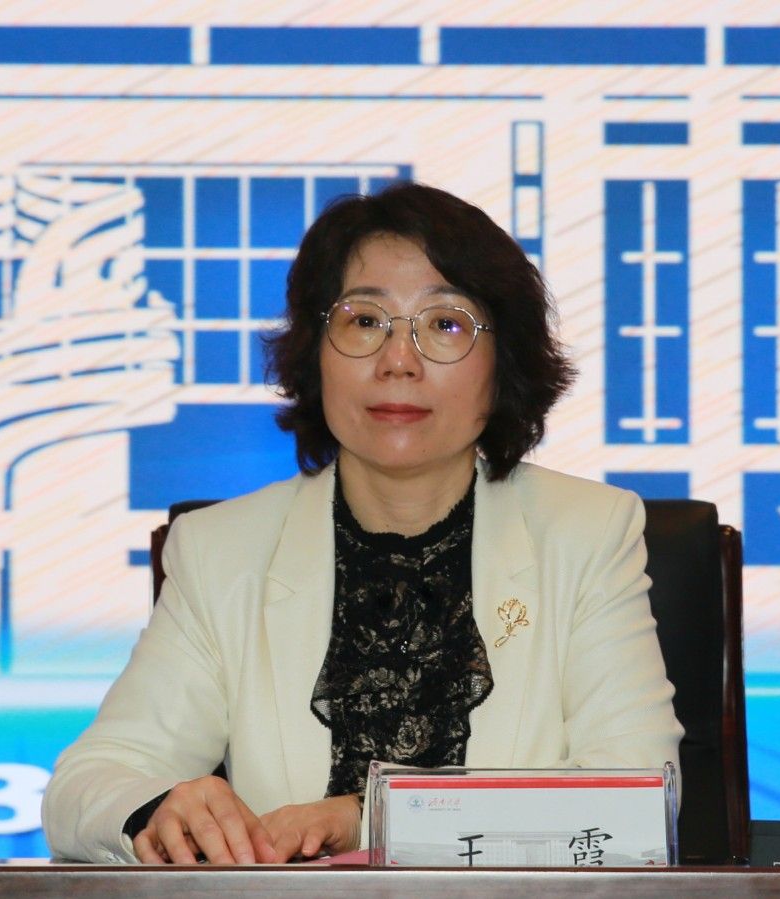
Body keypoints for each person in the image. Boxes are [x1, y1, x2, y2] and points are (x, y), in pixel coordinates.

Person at [41, 182, 683, 865]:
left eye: (446, 325)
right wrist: (159, 808)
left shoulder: (586, 534)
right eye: (364, 321)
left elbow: (635, 802)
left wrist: (368, 819)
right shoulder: (222, 552)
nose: (398, 361)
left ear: (503, 364)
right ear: (315, 353)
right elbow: (85, 786)